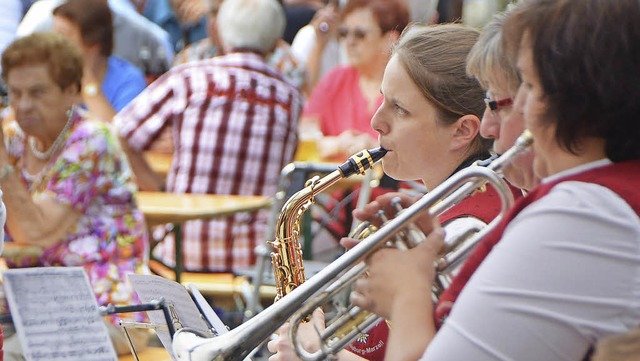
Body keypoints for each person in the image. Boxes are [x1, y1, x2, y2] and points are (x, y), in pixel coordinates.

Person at [352, 1, 640, 360]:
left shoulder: (586, 211)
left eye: (530, 88)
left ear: (578, 101)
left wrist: (408, 290)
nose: (491, 127)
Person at [267, 23, 520, 361]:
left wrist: (316, 351)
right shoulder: (458, 204)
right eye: (382, 98)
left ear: (462, 131)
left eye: (399, 108)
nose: (375, 121)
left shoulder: (468, 230)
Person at [114, 0, 303, 273]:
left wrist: (154, 185)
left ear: (220, 31)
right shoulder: (290, 97)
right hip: (253, 260)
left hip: (179, 252)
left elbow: (119, 133)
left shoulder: (189, 79)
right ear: (275, 42)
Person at [0, 32, 150, 358]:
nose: (23, 105)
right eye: (15, 93)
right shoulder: (13, 139)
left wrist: (2, 169)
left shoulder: (91, 140)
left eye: (37, 93)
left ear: (71, 91)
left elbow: (36, 234)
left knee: (9, 355)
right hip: (32, 305)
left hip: (105, 308)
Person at [301, 0, 409, 160]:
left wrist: (376, 150)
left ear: (390, 39)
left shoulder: (410, 88)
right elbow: (305, 137)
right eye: (344, 33)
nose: (349, 41)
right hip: (339, 184)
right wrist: (338, 143)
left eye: (360, 34)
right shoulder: (335, 79)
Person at [173, 0, 307, 92]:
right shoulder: (190, 58)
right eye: (213, 13)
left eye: (225, 13)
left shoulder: (284, 63)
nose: (217, 22)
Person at [52, 0, 147, 122]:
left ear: (93, 41)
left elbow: (118, 136)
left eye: (63, 37)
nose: (54, 45)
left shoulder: (129, 80)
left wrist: (87, 81)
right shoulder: (49, 75)